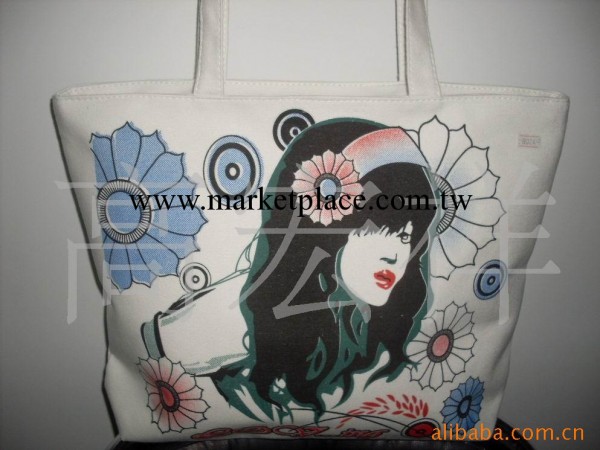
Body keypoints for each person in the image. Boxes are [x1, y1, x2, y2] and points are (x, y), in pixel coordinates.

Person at [211, 119, 438, 421]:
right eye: (377, 229)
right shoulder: (230, 318)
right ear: (320, 230)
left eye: (406, 236)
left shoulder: (375, 330)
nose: (396, 256)